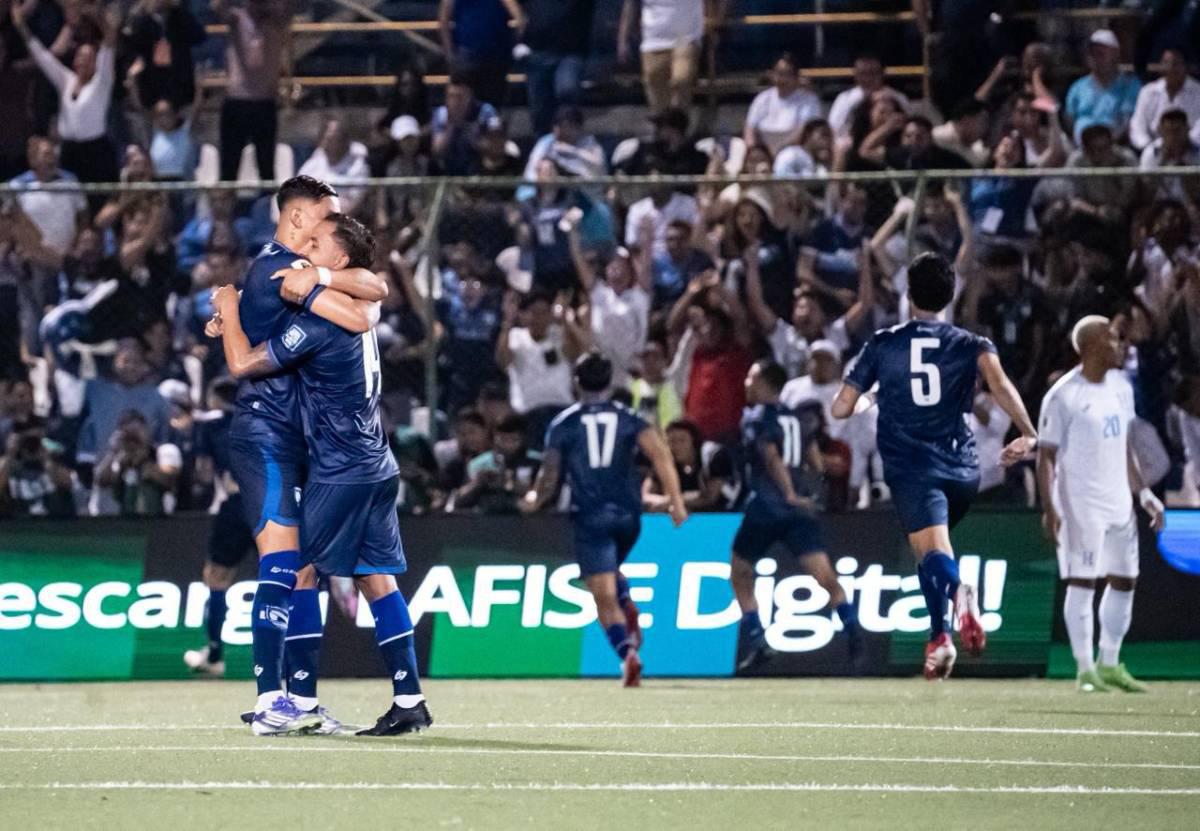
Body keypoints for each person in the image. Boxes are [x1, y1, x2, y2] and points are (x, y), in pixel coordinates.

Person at [214, 213, 433, 736]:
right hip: (377, 463)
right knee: (376, 578)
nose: (303, 250)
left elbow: (244, 364)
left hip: (341, 469)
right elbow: (370, 297)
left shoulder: (320, 318)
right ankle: (409, 698)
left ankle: (297, 701)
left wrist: (228, 306)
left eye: (316, 244)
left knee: (298, 570)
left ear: (338, 260)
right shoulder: (359, 302)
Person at [831, 252, 1038, 681]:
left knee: (934, 555)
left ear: (908, 294)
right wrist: (1027, 431)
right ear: (949, 296)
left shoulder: (884, 342)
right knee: (927, 550)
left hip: (914, 468)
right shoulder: (971, 343)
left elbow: (840, 408)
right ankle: (939, 638)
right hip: (964, 469)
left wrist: (869, 395)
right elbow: (1000, 385)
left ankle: (961, 594)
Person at [522, 352, 687, 686]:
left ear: (576, 382)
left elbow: (549, 478)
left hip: (591, 517)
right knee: (611, 573)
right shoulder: (630, 417)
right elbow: (660, 455)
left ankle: (627, 653)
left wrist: (533, 500)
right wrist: (677, 502)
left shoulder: (563, 423)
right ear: (610, 382)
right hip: (629, 516)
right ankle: (626, 602)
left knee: (603, 596)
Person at [1036, 316, 1165, 693]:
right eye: (1111, 339)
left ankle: (1110, 662)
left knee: (1125, 581)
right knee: (1083, 581)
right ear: (1091, 347)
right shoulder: (1063, 395)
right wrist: (1050, 507)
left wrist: (1143, 494)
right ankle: (1084, 668)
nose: (1120, 344)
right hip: (1080, 503)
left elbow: (1123, 445)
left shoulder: (1122, 388)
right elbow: (1045, 456)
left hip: (1118, 502)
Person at [733, 361, 861, 671]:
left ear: (764, 382)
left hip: (767, 506)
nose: (746, 383)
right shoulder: (796, 419)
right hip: (799, 511)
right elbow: (816, 462)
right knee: (825, 576)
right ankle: (853, 630)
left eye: (751, 377)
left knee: (739, 572)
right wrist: (808, 493)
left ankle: (757, 637)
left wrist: (788, 491)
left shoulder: (758, 417)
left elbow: (771, 455)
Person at [9, 1, 119, 192]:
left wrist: (96, 13)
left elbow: (109, 41)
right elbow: (43, 57)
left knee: (98, 199)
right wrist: (21, 26)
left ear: (95, 63)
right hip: (69, 152)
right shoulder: (66, 81)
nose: (83, 61)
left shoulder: (102, 81)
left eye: (88, 58)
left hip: (96, 152)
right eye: (80, 57)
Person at [183, 377, 248, 677]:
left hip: (237, 503)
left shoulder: (209, 423)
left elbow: (205, 473)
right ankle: (296, 661)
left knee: (217, 577)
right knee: (288, 577)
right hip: (277, 503)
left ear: (213, 398)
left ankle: (215, 655)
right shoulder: (262, 417)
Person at [212, 0, 289, 182]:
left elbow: (289, 8)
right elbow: (217, 6)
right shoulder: (237, 19)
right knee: (228, 169)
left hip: (264, 101)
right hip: (237, 100)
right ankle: (227, 209)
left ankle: (266, 208)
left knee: (266, 168)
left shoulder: (276, 19)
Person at [617, 0, 714, 113]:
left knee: (681, 79)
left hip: (686, 37)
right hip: (653, 39)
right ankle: (662, 123)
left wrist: (713, 19)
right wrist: (622, 40)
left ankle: (679, 122)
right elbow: (630, 7)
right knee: (654, 81)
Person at [521, 0, 597, 137]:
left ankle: (569, 139)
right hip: (537, 49)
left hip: (572, 51)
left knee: (566, 90)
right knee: (540, 111)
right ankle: (543, 148)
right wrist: (519, 17)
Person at [438, 0, 524, 108]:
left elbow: (443, 21)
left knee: (486, 102)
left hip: (488, 55)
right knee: (465, 101)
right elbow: (443, 20)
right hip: (479, 54)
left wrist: (449, 52)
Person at [1064, 30, 1142, 144]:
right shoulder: (1077, 87)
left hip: (1114, 148)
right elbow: (1069, 121)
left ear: (1115, 54)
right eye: (1092, 53)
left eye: (1101, 53)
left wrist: (1102, 146)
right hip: (1081, 149)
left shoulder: (1130, 85)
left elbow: (1127, 123)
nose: (1095, 57)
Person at [743, 53, 824, 156]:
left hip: (796, 152)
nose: (782, 79)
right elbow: (750, 128)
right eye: (779, 73)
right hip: (764, 153)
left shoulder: (809, 101)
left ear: (796, 77)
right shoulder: (762, 99)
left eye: (787, 74)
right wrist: (753, 150)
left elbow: (804, 132)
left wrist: (779, 152)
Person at [1129, 48, 1200, 152]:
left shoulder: (1198, 91)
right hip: (1154, 149)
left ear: (1185, 66)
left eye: (1175, 63)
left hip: (1191, 150)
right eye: (1166, 63)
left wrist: (1184, 145)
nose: (1171, 67)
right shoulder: (1148, 91)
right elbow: (1137, 125)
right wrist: (1149, 147)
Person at [828, 53, 909, 139]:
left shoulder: (898, 97)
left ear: (883, 74)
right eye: (862, 74)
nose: (867, 79)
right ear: (855, 76)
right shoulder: (844, 99)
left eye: (872, 73)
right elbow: (834, 129)